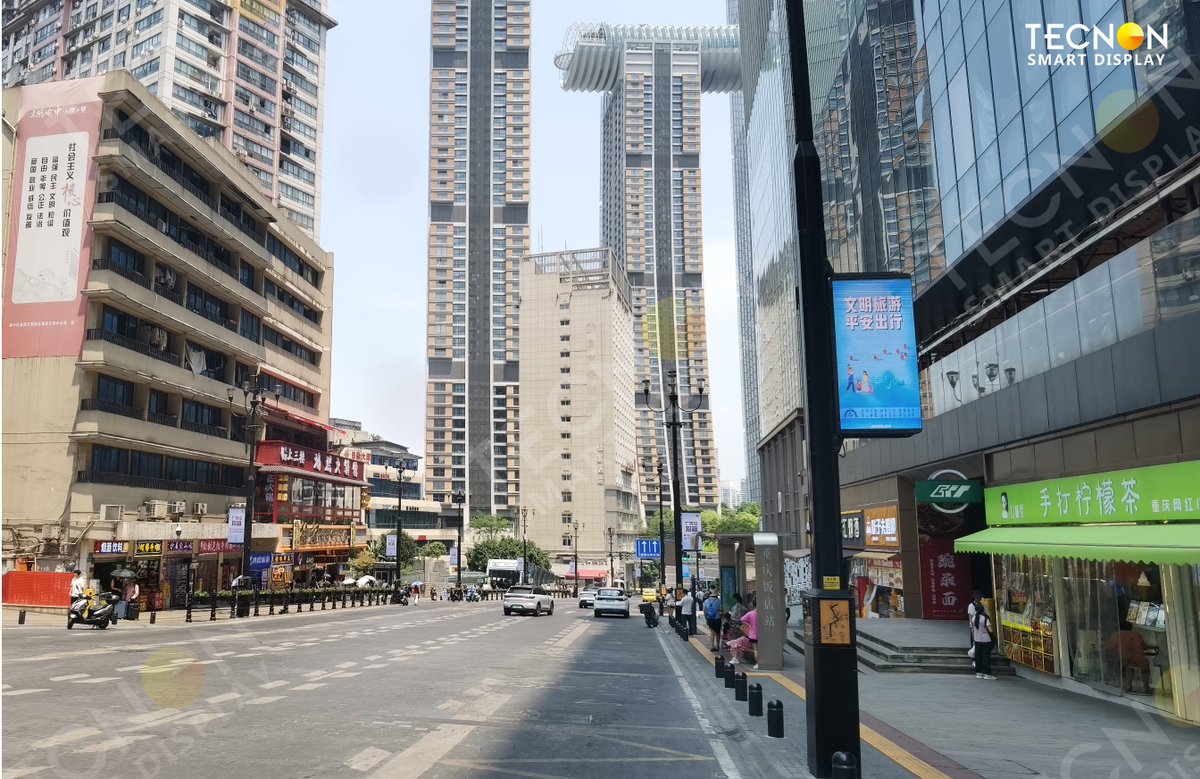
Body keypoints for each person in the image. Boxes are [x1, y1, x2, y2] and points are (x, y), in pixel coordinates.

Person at [1104, 622, 1150, 691]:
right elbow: (1145, 647)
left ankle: (1128, 686)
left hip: (1123, 659)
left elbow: (1109, 647)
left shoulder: (1116, 635)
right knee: (1145, 667)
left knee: (1129, 667)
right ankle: (1146, 687)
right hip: (1138, 659)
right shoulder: (1137, 634)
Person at [971, 602, 996, 679]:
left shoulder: (973, 618)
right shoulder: (985, 618)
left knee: (978, 656)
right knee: (986, 657)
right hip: (985, 640)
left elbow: (972, 629)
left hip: (977, 640)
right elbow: (990, 630)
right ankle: (987, 673)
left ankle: (979, 672)